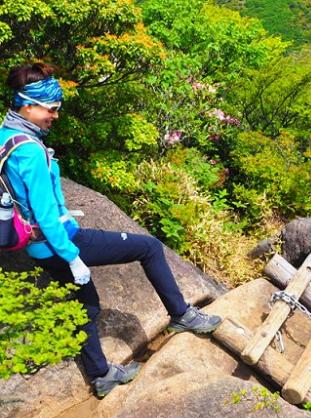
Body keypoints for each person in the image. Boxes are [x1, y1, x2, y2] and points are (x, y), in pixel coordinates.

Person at [1, 63, 222, 397]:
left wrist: (61, 210)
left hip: (36, 247)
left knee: (86, 305)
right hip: (60, 242)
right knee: (148, 247)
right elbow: (45, 215)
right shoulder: (30, 151)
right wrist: (72, 256)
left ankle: (101, 375)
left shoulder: (6, 136)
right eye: (51, 109)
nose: (55, 116)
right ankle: (181, 314)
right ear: (28, 105)